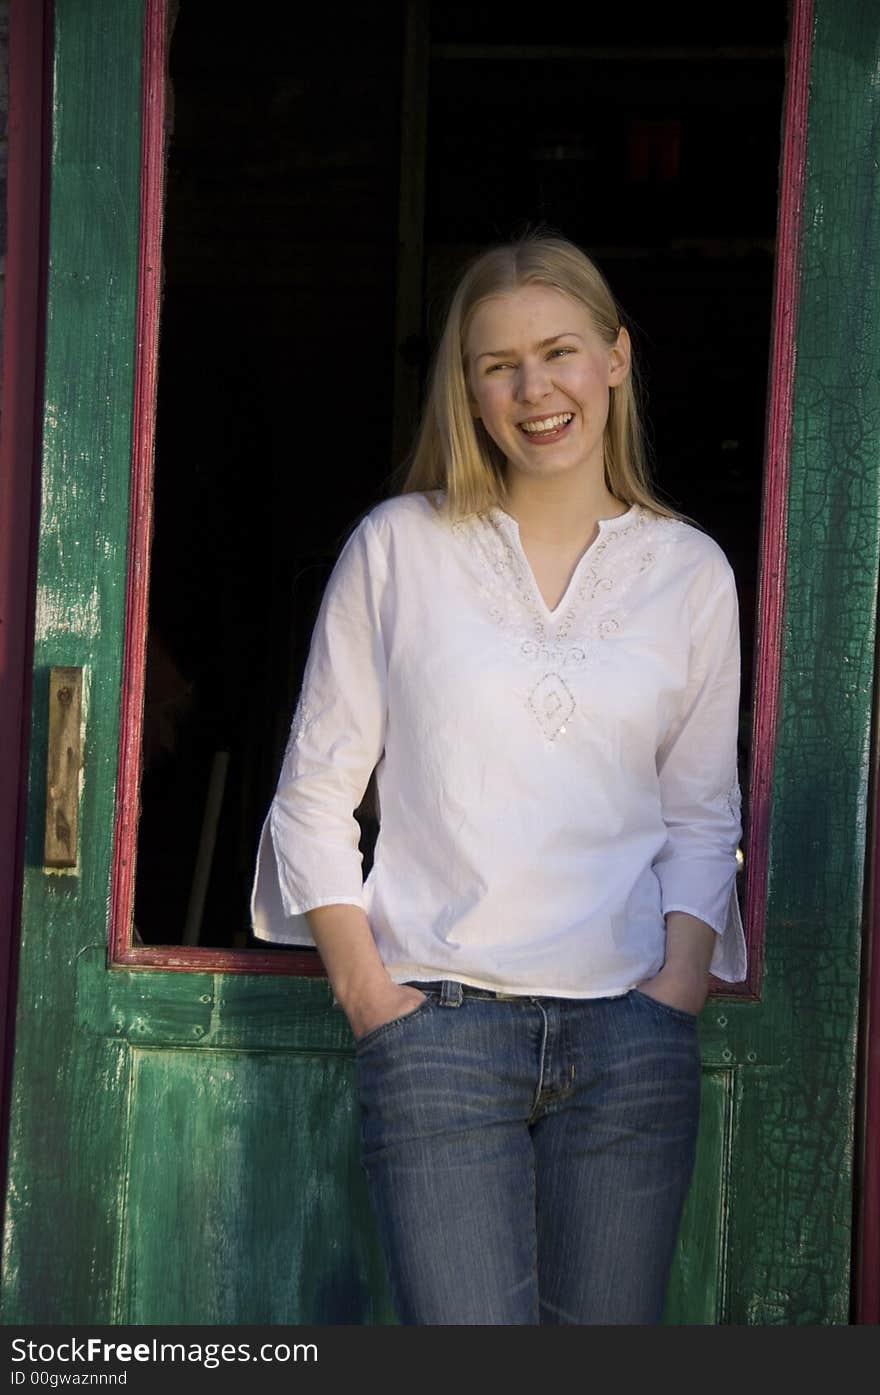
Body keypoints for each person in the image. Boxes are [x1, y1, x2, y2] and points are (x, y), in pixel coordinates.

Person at [251, 233, 746, 1325]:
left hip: (629, 1034)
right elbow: (313, 796)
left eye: (559, 351)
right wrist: (372, 1000)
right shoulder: (398, 550)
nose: (535, 390)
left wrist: (672, 998)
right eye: (498, 365)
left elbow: (702, 813)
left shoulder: (689, 573)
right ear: (467, 393)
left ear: (615, 359)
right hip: (442, 1035)